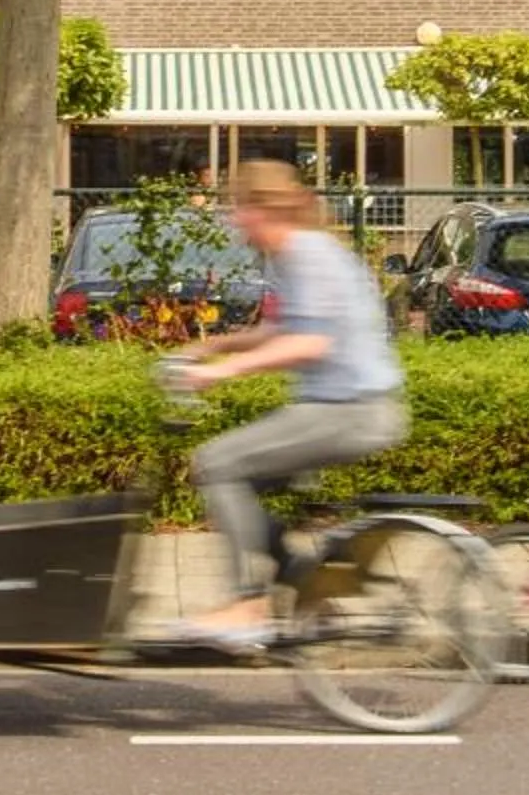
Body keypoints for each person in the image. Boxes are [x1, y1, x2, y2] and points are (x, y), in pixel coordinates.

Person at [169, 160, 406, 645]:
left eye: (238, 208)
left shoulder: (306, 253)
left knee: (218, 461)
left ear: (263, 210)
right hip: (343, 406)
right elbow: (286, 329)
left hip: (351, 411)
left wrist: (222, 373)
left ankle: (247, 606)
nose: (233, 220)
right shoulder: (295, 254)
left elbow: (311, 344)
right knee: (243, 479)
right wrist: (215, 346)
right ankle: (298, 575)